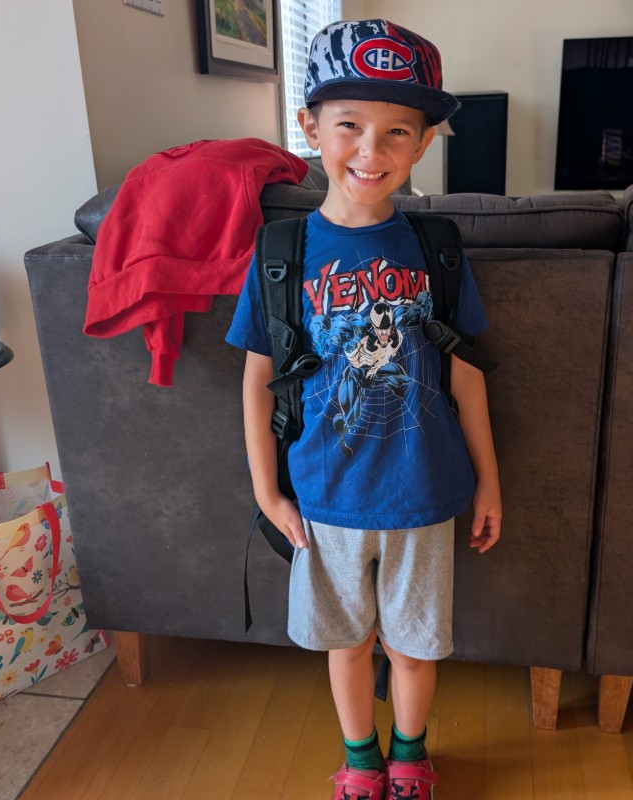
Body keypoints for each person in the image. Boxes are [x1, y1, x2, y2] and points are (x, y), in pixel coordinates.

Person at [226, 18, 501, 800]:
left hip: (424, 497)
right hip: (324, 502)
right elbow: (256, 379)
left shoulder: (437, 249)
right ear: (311, 127)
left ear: (423, 144)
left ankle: (410, 758)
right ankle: (361, 760)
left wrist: (489, 481)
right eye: (349, 125)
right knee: (344, 644)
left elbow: (467, 376)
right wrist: (266, 491)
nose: (369, 151)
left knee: (413, 648)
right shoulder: (280, 255)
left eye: (396, 132)